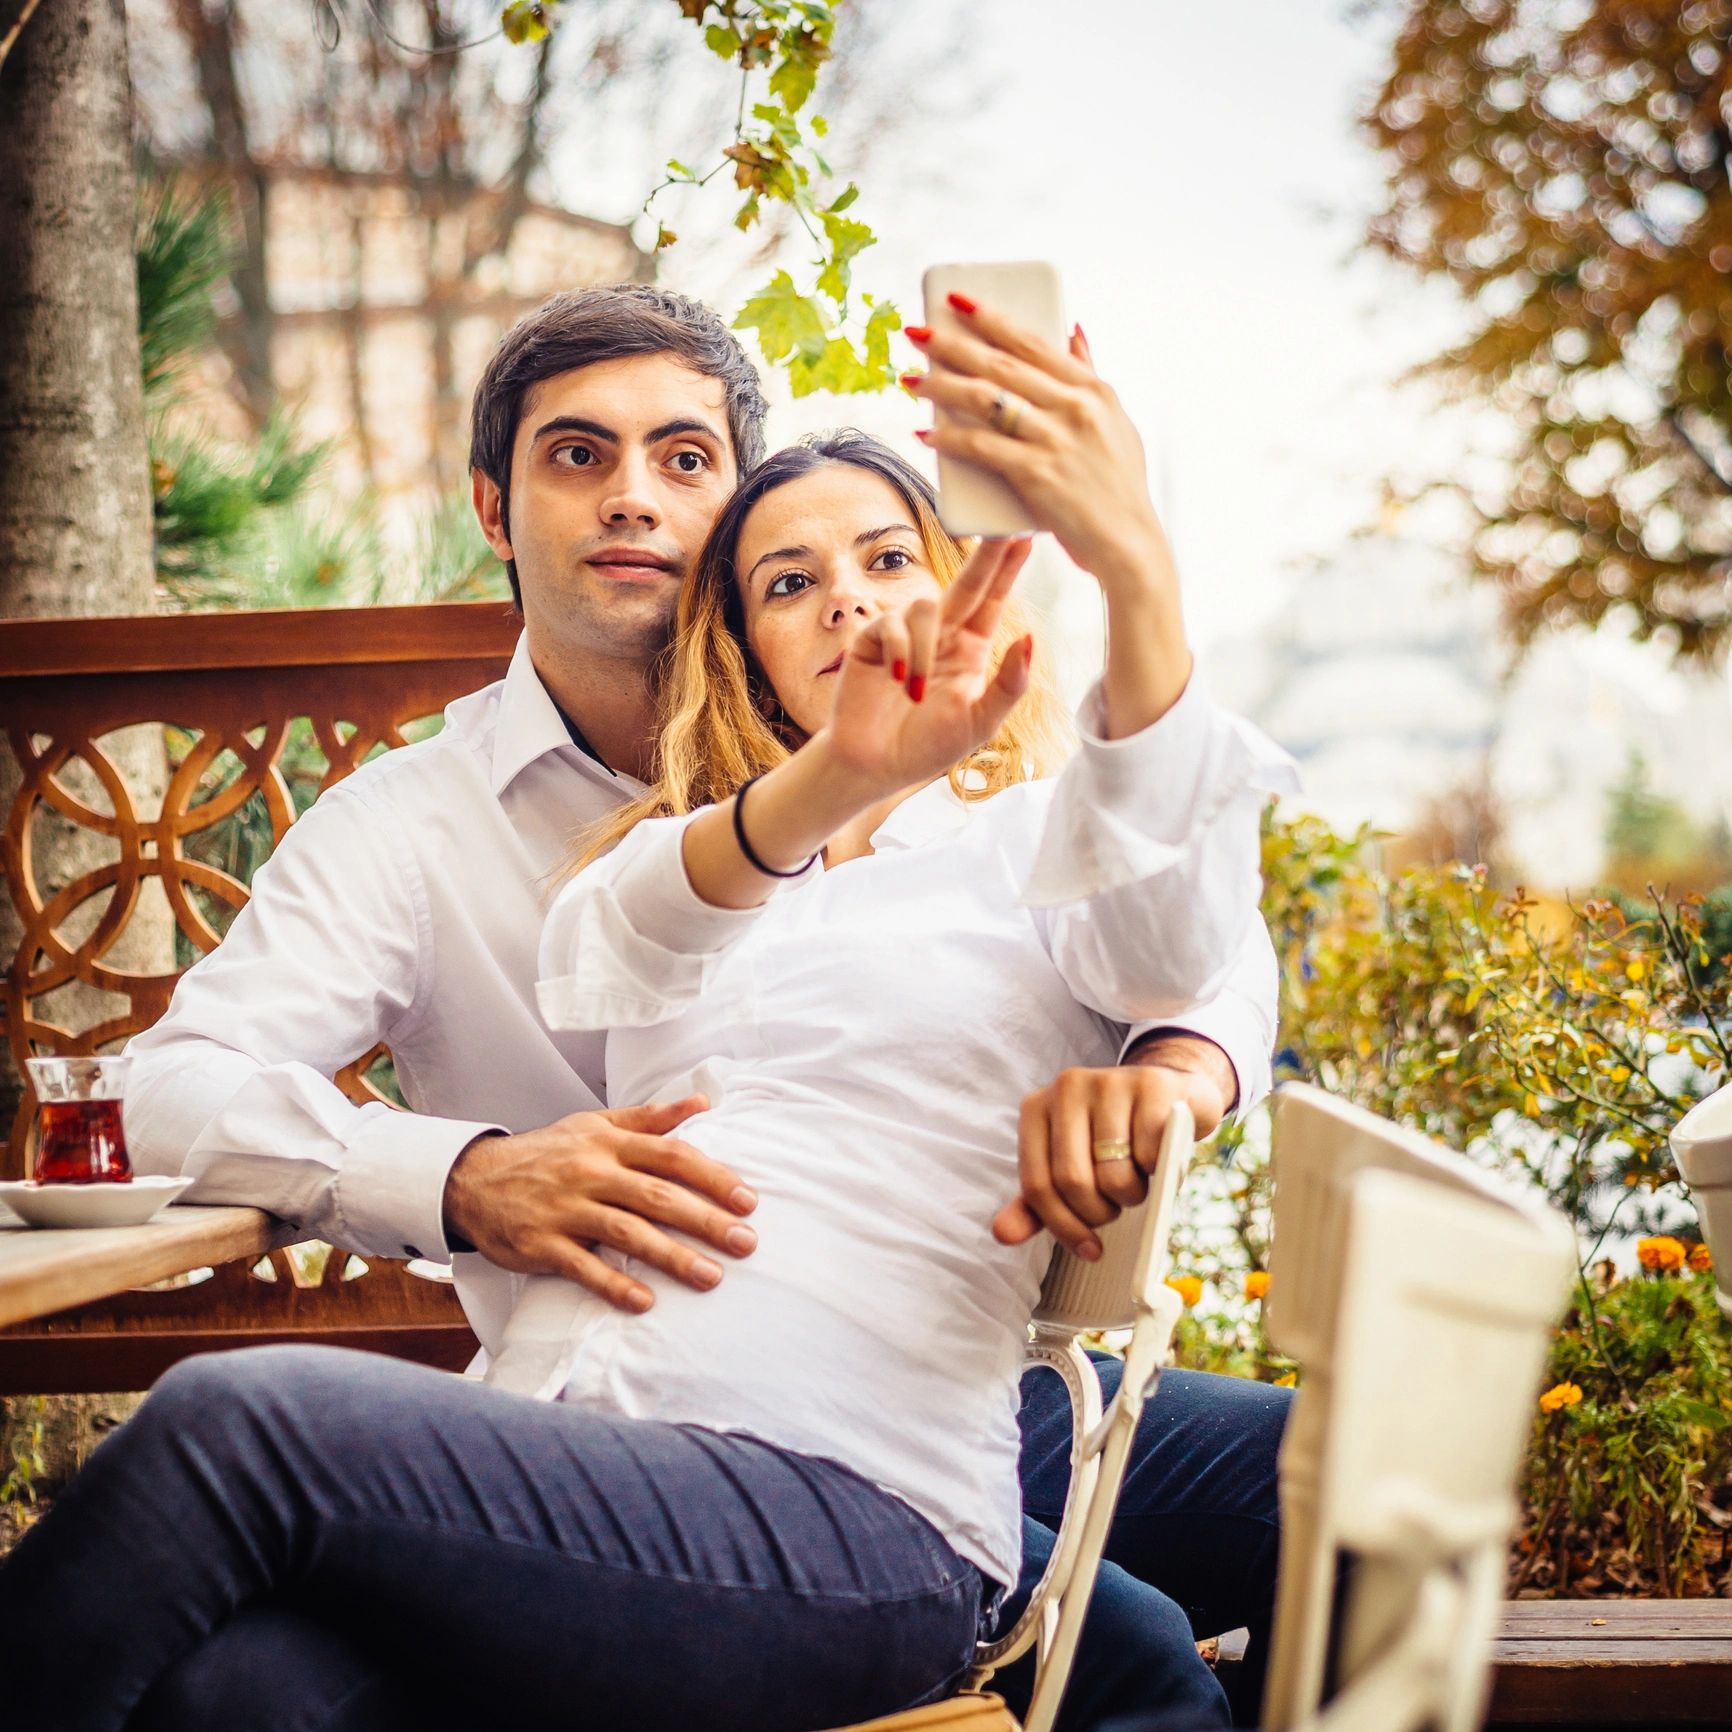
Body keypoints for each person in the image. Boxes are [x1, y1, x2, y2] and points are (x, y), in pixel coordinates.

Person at [7, 287, 1288, 1728]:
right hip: (570, 1432)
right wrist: (468, 1175)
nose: (634, 501)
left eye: (685, 462)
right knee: (242, 1693)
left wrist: (1178, 1067)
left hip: (869, 1425)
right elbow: (617, 935)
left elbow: (1186, 940)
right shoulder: (546, 848)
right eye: (577, 458)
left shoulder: (1004, 840)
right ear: (497, 509)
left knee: (1246, 1537)